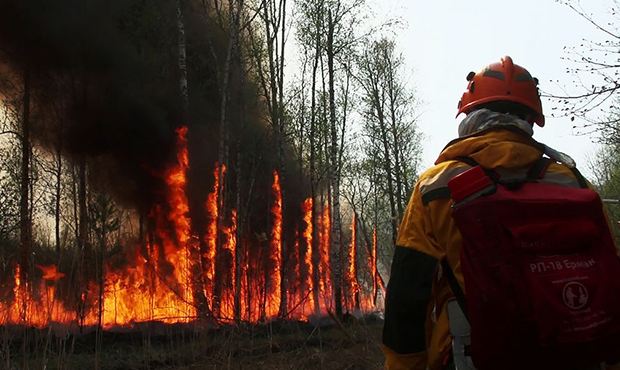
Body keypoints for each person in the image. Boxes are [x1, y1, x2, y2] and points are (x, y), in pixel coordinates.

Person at [381, 56, 620, 370]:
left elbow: (407, 297)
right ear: (532, 119)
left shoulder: (437, 186)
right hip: (576, 357)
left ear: (470, 116)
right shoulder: (573, 183)